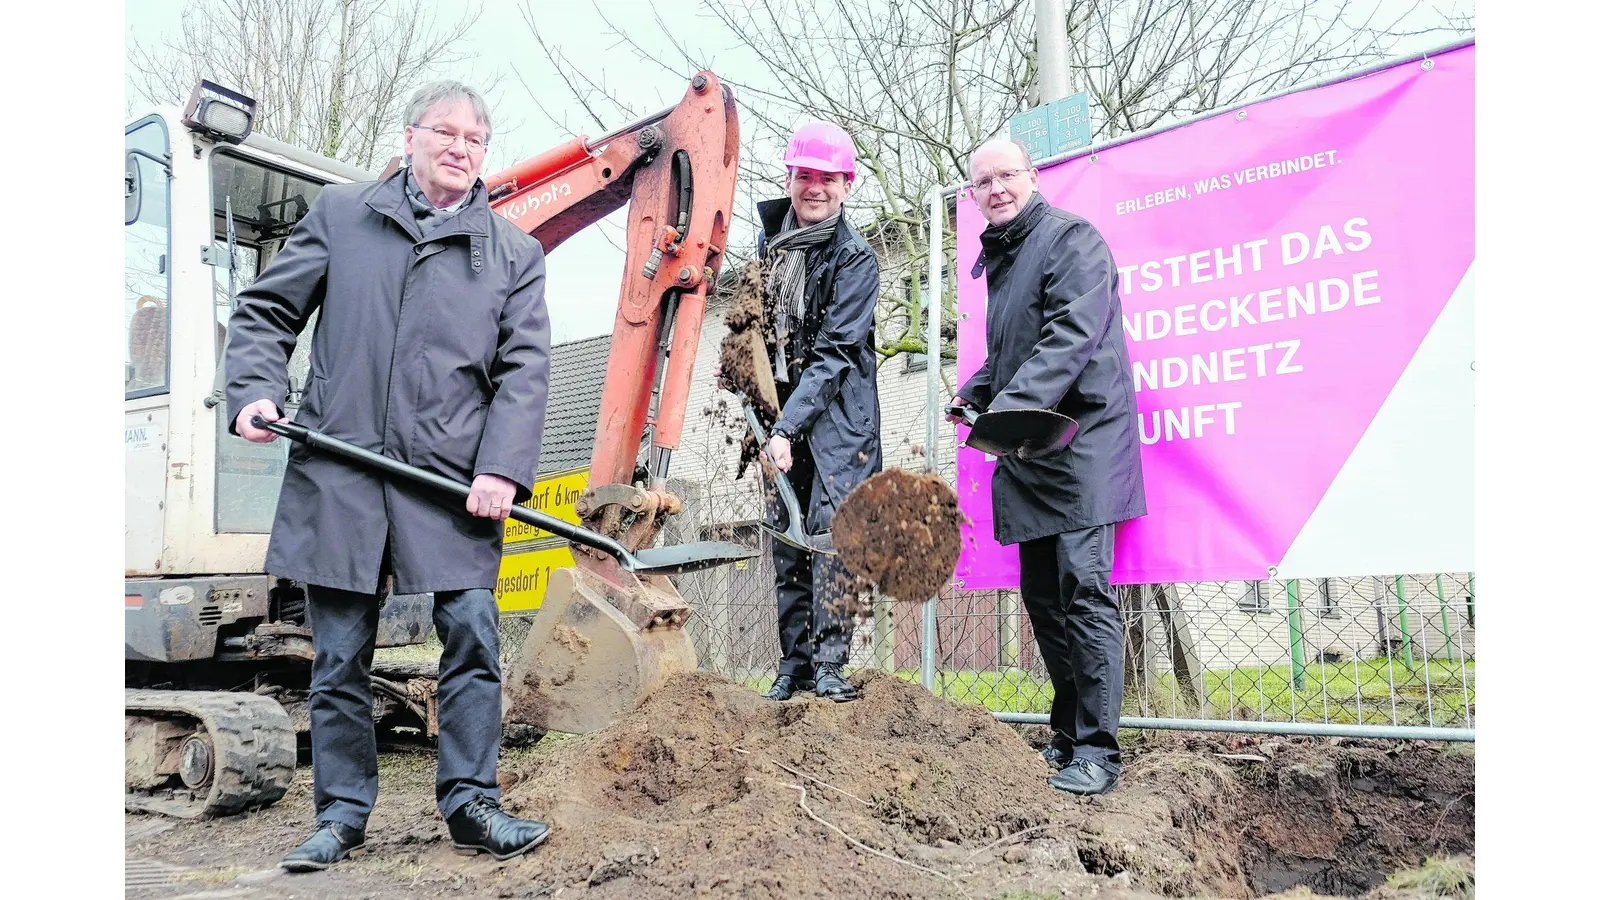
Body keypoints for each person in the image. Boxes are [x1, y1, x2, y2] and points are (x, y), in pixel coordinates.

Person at [225, 80, 554, 869]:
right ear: (410, 137)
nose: (459, 149)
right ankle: (341, 815)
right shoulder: (343, 216)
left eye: (475, 140)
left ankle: (472, 803)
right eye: (445, 132)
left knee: (471, 633)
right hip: (342, 469)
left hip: (450, 482)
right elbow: (266, 312)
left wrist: (501, 468)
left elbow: (525, 373)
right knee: (339, 653)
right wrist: (255, 390)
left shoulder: (513, 254)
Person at [948, 137, 1146, 796]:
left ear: (1032, 177)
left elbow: (1069, 339)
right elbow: (1012, 352)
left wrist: (1001, 412)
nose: (996, 189)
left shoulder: (1070, 239)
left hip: (1083, 443)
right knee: (1042, 598)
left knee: (1082, 590)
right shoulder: (1005, 257)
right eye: (984, 182)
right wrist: (974, 394)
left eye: (1007, 175)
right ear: (974, 195)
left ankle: (1098, 750)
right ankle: (1067, 731)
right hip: (1033, 446)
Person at [755, 122, 883, 703]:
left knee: (832, 540)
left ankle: (830, 663)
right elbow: (754, 327)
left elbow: (834, 354)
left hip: (839, 422)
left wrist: (788, 426)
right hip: (781, 415)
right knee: (787, 539)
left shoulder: (855, 258)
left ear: (846, 184)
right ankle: (794, 664)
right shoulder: (771, 245)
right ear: (790, 178)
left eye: (827, 178)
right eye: (805, 175)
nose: (815, 187)